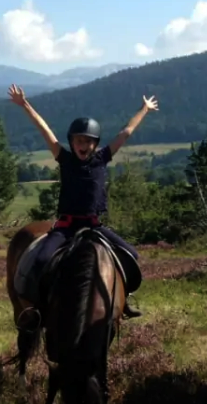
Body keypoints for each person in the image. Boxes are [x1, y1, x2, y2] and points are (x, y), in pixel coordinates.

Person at [8, 84, 159, 318]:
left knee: (131, 255)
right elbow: (44, 128)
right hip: (66, 227)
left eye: (88, 142)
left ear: (95, 145)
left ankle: (123, 301)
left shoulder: (102, 158)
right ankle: (35, 309)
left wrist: (145, 109)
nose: (83, 145)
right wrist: (25, 104)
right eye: (78, 141)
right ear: (71, 142)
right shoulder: (64, 159)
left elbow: (126, 132)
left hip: (94, 226)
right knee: (39, 261)